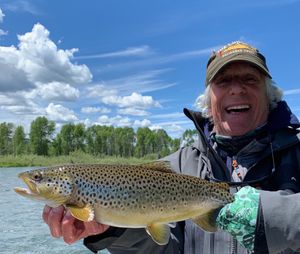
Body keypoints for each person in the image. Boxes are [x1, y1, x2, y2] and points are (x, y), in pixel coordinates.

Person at [43, 41, 300, 254]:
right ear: (209, 102)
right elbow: (164, 247)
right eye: (223, 81)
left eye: (249, 79)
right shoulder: (176, 167)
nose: (236, 89)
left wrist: (276, 217)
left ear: (270, 94)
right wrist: (114, 229)